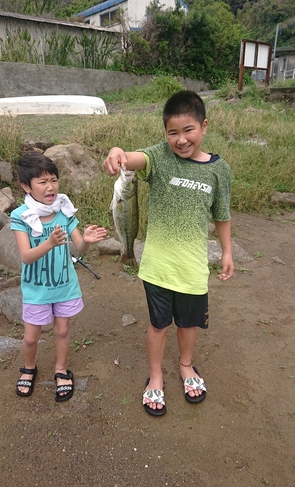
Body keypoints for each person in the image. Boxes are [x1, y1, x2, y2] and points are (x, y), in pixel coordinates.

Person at [103, 90, 234, 417]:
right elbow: (134, 159)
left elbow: (222, 215)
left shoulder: (220, 171)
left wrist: (227, 252)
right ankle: (157, 375)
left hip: (192, 268)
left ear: (204, 126)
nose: (181, 139)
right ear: (165, 134)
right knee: (158, 324)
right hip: (158, 266)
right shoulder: (159, 156)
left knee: (188, 324)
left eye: (188, 130)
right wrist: (118, 153)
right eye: (172, 132)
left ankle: (186, 366)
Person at [10, 151, 106, 401]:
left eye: (53, 180)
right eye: (42, 182)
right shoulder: (21, 216)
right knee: (31, 337)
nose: (50, 187)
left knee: (62, 331)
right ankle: (29, 368)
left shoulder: (64, 210)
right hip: (36, 290)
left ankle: (61, 369)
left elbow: (78, 247)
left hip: (64, 287)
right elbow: (26, 256)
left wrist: (86, 241)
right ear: (26, 186)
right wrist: (50, 243)